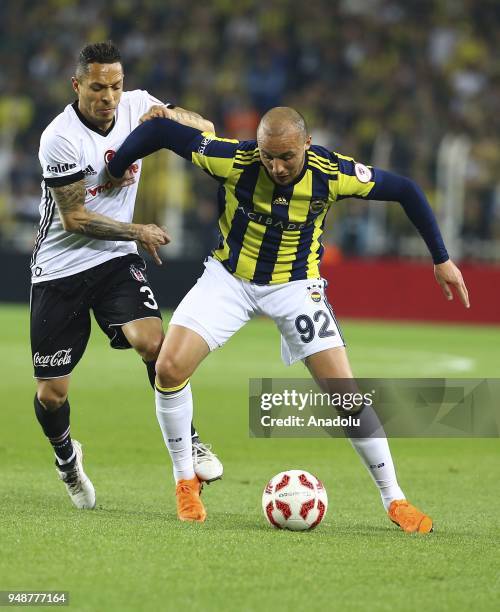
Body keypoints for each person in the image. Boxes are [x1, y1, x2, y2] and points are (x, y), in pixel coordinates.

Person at [107, 106, 470, 529]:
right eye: (268, 156)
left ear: (307, 146)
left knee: (346, 396)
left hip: (296, 287)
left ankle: (395, 500)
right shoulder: (234, 159)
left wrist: (441, 259)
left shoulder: (332, 172)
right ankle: (185, 482)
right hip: (229, 279)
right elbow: (164, 132)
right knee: (168, 368)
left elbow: (406, 189)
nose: (276, 167)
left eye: (287, 157)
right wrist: (116, 165)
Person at [31, 41, 223, 511]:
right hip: (60, 268)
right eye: (98, 87)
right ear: (77, 85)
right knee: (52, 394)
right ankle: (67, 459)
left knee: (154, 344)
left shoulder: (138, 105)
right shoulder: (60, 137)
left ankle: (191, 440)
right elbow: (73, 218)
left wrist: (170, 118)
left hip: (115, 259)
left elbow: (209, 131)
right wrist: (138, 230)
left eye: (115, 86)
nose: (109, 97)